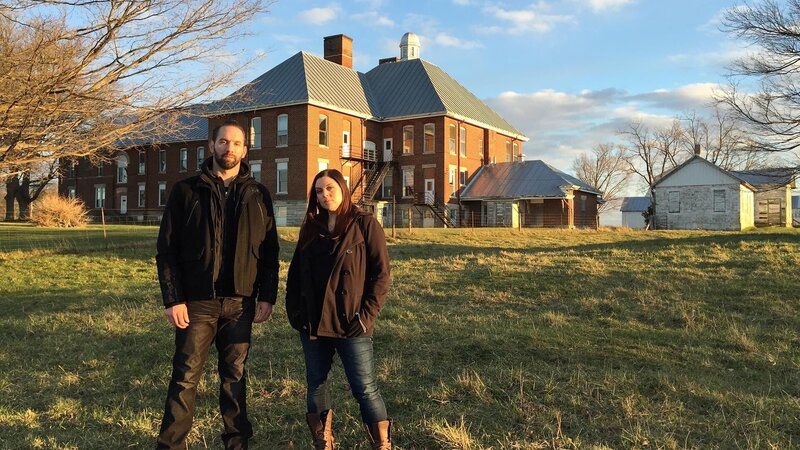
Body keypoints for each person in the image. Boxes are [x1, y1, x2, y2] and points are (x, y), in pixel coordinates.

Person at [155, 119, 280, 450]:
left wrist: (267, 295)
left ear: (245, 150)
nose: (229, 148)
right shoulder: (186, 190)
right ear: (211, 146)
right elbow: (166, 250)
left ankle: (236, 444)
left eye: (236, 143)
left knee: (235, 378)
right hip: (197, 302)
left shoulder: (258, 193)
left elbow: (270, 250)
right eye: (223, 142)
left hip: (240, 302)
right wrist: (173, 299)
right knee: (185, 377)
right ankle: (170, 445)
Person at [286, 169, 393, 450]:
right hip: (314, 322)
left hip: (351, 322)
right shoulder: (311, 226)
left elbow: (381, 275)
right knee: (316, 385)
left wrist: (366, 315)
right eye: (319, 191)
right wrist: (296, 314)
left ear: (343, 189)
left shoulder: (364, 224)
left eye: (330, 188)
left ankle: (382, 444)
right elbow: (296, 274)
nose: (324, 196)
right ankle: (324, 442)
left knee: (365, 389)